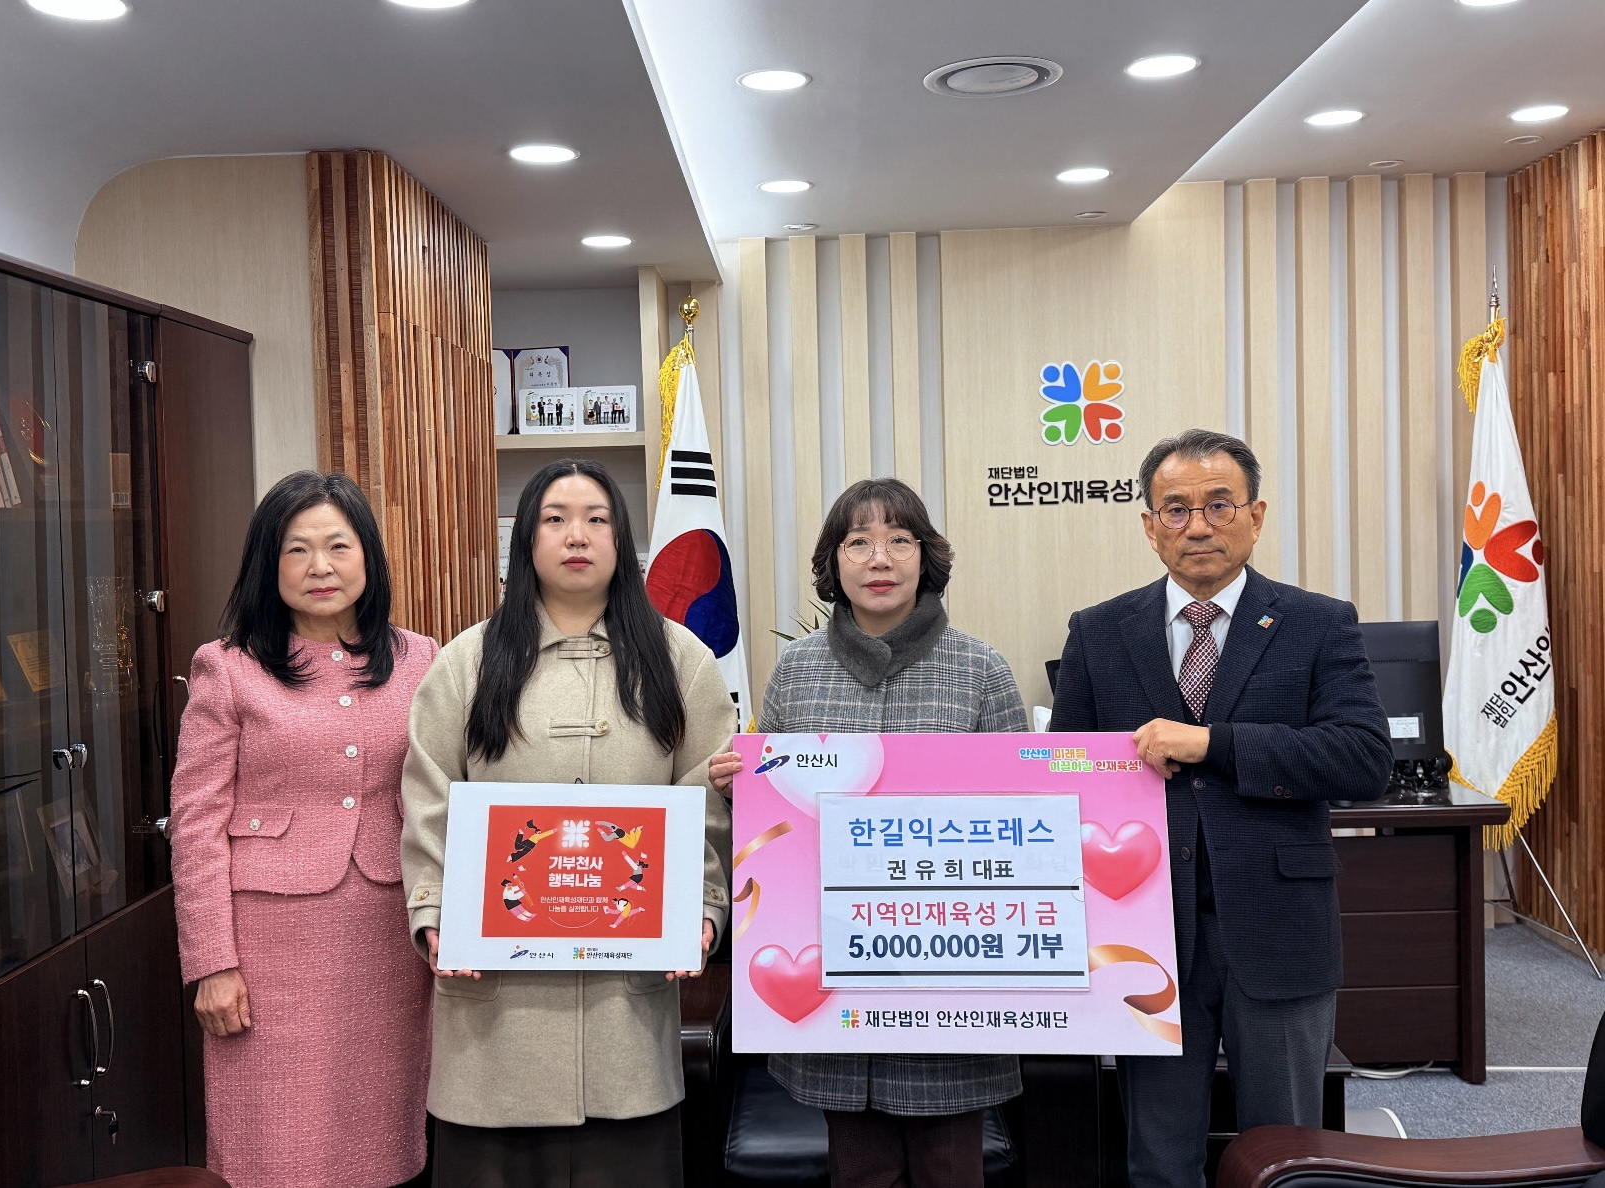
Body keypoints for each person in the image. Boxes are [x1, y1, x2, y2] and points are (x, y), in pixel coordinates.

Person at [1048, 428, 1391, 1188]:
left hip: (1276, 924)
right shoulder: (1100, 632)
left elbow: (1364, 759)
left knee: (1284, 1156)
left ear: (1255, 516)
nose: (1197, 525)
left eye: (1218, 505)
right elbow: (1067, 778)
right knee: (1159, 1157)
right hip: (1145, 935)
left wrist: (1215, 744)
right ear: (1150, 526)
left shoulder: (1317, 622)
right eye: (1175, 509)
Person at [400, 457, 734, 1187]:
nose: (576, 535)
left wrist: (701, 911)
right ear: (526, 540)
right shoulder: (465, 663)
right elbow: (428, 801)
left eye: (596, 519)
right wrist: (435, 917)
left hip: (625, 1023)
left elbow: (706, 807)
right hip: (492, 1030)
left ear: (622, 540)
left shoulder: (682, 661)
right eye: (555, 519)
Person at [710, 477, 1027, 1188]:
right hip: (833, 971)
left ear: (926, 557)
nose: (879, 558)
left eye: (899, 540)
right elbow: (775, 822)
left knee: (952, 1170)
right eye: (858, 542)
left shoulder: (981, 670)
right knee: (859, 1170)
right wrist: (741, 788)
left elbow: (1025, 816)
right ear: (834, 561)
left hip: (953, 972)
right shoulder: (796, 671)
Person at [168, 471, 438, 1188]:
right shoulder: (228, 668)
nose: (321, 566)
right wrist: (211, 963)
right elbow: (195, 824)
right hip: (265, 951)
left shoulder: (422, 660)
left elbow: (451, 789)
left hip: (388, 937)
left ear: (368, 556)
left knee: (382, 1143)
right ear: (270, 562)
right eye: (297, 549)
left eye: (338, 546)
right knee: (275, 1148)